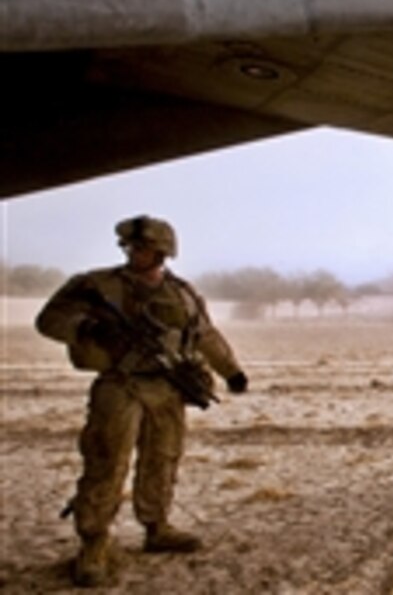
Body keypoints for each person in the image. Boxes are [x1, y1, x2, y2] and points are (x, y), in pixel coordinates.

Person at [35, 215, 248, 588]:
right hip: (121, 386)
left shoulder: (182, 292)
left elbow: (204, 334)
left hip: (167, 389)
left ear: (163, 252)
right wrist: (87, 327)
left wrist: (231, 371)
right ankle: (94, 541)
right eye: (130, 247)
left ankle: (156, 526)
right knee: (106, 461)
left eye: (143, 248)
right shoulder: (96, 286)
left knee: (162, 459)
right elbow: (49, 319)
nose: (134, 253)